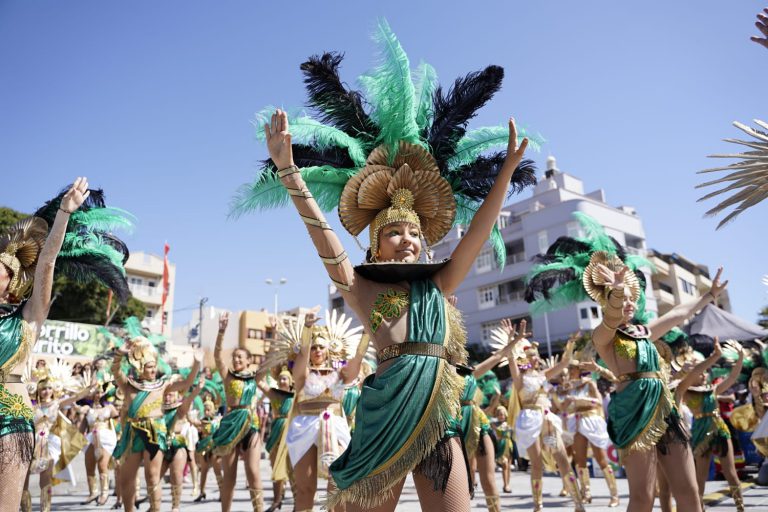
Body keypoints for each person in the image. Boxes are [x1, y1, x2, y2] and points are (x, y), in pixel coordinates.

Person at [1, 177, 130, 511]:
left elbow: (46, 262)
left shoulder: (27, 319)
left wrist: (62, 214)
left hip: (8, 425)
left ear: (12, 282)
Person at [111, 336, 202, 512]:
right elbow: (115, 371)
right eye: (148, 367)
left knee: (152, 477)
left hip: (154, 433)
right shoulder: (129, 386)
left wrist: (197, 363)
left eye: (154, 366)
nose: (153, 370)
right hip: (133, 433)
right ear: (140, 368)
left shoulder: (162, 385)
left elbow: (187, 382)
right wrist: (119, 354)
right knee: (126, 477)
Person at [504, 320, 585, 512]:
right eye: (531, 355)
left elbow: (565, 362)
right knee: (537, 464)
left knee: (562, 458)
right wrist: (511, 340)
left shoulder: (543, 375)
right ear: (525, 359)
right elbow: (509, 357)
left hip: (547, 420)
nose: (535, 358)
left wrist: (571, 342)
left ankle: (578, 502)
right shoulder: (520, 379)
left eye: (536, 355)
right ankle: (538, 505)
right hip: (530, 422)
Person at [675, 338, 745, 511]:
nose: (704, 373)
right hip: (700, 431)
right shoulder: (685, 391)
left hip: (719, 428)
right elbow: (688, 377)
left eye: (705, 371)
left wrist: (741, 357)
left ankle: (740, 507)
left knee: (731, 473)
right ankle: (700, 509)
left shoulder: (713, 390)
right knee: (700, 477)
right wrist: (687, 370)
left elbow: (733, 377)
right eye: (701, 371)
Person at [212, 312, 264, 512]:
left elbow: (270, 362)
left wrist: (275, 332)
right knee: (230, 478)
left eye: (240, 357)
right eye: (234, 357)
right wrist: (221, 332)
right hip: (230, 427)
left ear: (249, 360)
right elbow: (217, 356)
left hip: (251, 425)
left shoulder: (255, 377)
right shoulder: (227, 375)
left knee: (253, 471)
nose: (236, 359)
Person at [561, 359, 620, 507]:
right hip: (577, 423)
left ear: (579, 370)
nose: (570, 371)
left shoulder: (589, 383)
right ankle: (586, 493)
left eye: (573, 369)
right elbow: (564, 408)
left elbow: (598, 402)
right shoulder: (568, 387)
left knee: (601, 460)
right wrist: (565, 404)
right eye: (570, 369)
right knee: (580, 461)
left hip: (592, 421)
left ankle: (614, 495)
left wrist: (578, 400)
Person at [161, 377, 205, 512]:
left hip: (178, 444)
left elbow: (189, 399)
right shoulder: (158, 408)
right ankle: (154, 505)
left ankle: (175, 506)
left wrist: (197, 389)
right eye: (166, 394)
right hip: (161, 445)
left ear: (176, 395)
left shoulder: (181, 408)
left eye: (171, 394)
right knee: (154, 476)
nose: (168, 397)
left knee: (176, 475)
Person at [258, 367, 295, 512]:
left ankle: (297, 503)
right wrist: (267, 364)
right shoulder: (273, 393)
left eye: (285, 378)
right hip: (275, 432)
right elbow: (259, 382)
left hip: (290, 432)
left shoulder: (296, 395)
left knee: (292, 469)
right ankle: (276, 500)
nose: (281, 380)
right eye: (279, 378)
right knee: (275, 468)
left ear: (291, 381)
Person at [79, 383, 120, 505]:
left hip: (105, 438)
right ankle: (93, 493)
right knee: (89, 466)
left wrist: (119, 437)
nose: (99, 395)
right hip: (91, 438)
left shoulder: (110, 408)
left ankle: (104, 493)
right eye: (97, 392)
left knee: (102, 465)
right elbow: (83, 427)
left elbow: (118, 423)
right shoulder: (88, 409)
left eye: (101, 392)